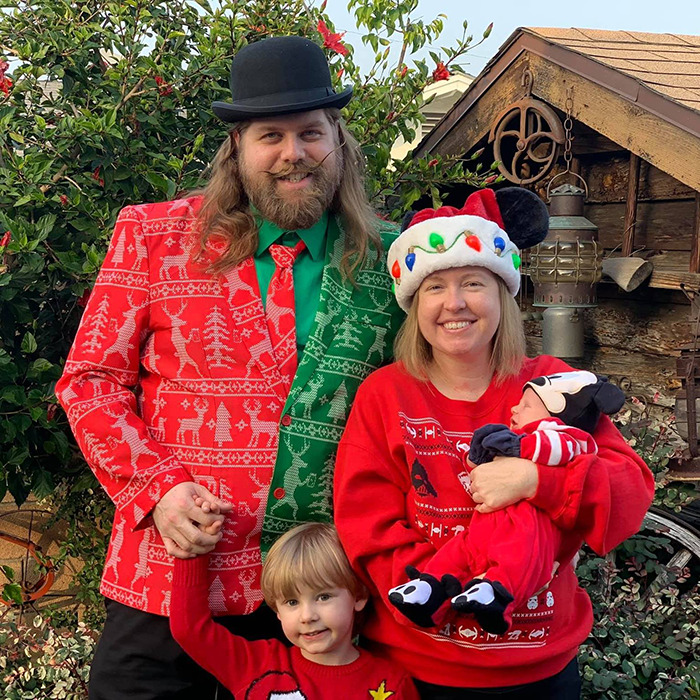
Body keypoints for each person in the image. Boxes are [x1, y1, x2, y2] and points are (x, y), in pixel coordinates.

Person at [55, 36, 402, 699]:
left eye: (310, 132)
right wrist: (157, 488)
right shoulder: (153, 237)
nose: (292, 152)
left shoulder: (391, 260)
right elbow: (89, 381)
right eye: (270, 134)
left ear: (339, 142)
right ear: (237, 148)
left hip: (317, 600)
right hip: (168, 578)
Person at [333, 187, 654, 699]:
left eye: (473, 283)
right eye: (435, 287)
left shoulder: (552, 387)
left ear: (503, 295)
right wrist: (442, 593)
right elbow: (366, 523)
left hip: (537, 668)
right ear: (415, 305)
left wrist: (536, 480)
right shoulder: (386, 393)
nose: (454, 303)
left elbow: (628, 495)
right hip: (418, 665)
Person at [387, 370, 626, 635]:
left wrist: (521, 456)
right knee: (459, 551)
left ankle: (496, 597)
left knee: (515, 557)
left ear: (553, 414)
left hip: (527, 525)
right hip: (485, 522)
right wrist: (481, 452)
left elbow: (558, 449)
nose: (515, 407)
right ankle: (428, 588)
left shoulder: (571, 437)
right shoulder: (520, 434)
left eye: (526, 406)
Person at [169, 518, 420, 699]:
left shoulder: (391, 684)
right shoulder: (255, 665)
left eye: (323, 597)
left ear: (359, 595)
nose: (307, 616)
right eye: (291, 602)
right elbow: (189, 630)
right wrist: (193, 549)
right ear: (276, 609)